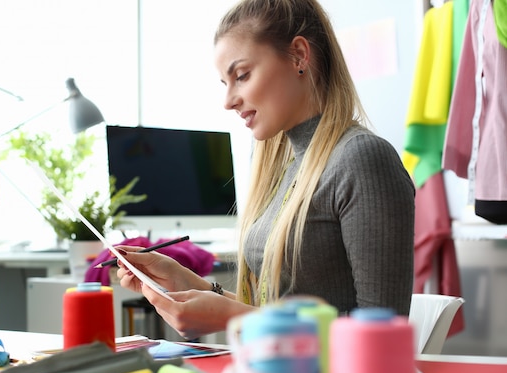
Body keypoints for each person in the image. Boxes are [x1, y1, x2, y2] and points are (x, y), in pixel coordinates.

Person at [115, 0, 415, 340]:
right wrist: (186, 282)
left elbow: (381, 338)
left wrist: (233, 319)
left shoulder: (361, 159)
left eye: (241, 75)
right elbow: (267, 312)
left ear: (299, 56)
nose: (228, 101)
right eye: (225, 83)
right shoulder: (282, 167)